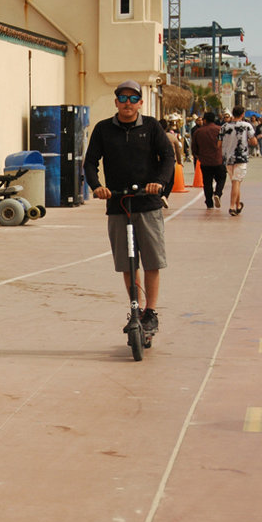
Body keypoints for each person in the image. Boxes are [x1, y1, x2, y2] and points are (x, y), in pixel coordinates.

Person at [84, 80, 174, 335]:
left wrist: (160, 183)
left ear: (140, 103)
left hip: (147, 202)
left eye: (133, 99)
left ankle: (151, 311)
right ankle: (136, 308)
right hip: (118, 203)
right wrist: (97, 186)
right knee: (127, 262)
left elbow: (168, 157)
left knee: (152, 260)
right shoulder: (103, 129)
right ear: (116, 102)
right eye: (123, 98)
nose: (128, 103)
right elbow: (90, 162)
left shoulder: (152, 126)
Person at [218, 105, 256, 217]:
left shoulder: (224, 127)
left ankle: (238, 205)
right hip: (241, 157)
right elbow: (254, 142)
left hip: (227, 158)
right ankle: (232, 206)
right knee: (236, 182)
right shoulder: (246, 126)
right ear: (243, 114)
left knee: (235, 182)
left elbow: (218, 144)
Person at [191, 111, 227, 210]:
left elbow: (194, 148)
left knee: (207, 182)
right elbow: (225, 144)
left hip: (205, 161)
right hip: (218, 160)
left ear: (205, 120)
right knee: (222, 178)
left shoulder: (198, 132)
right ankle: (218, 193)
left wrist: (198, 156)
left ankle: (209, 202)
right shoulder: (219, 129)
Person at [159, 118, 181, 209]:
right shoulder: (171, 137)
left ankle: (159, 195)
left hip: (157, 161)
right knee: (170, 181)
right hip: (170, 161)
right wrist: (179, 161)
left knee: (158, 180)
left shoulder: (155, 136)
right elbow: (178, 149)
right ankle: (165, 196)